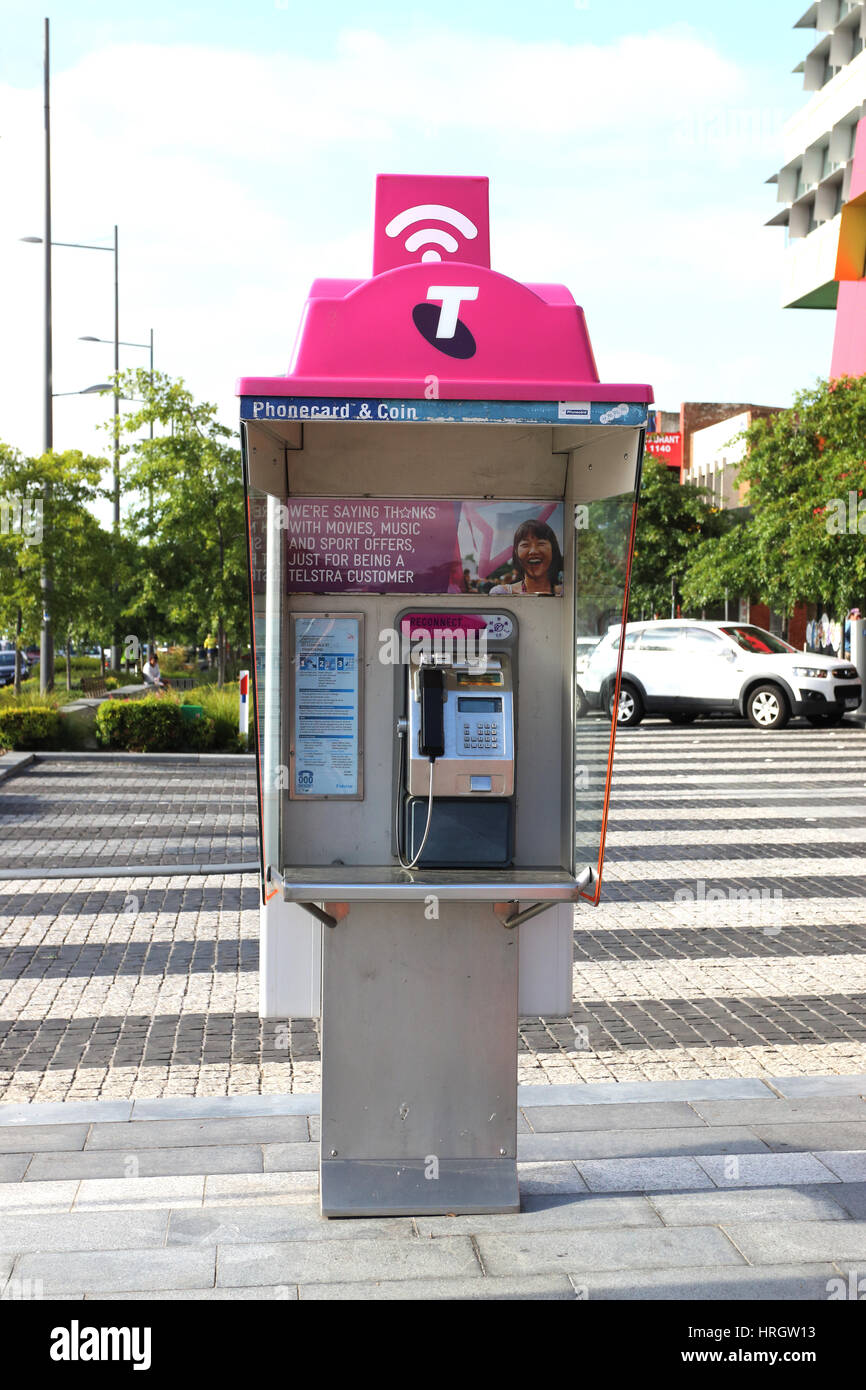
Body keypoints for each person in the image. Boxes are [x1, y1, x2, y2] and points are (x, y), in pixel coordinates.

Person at [488, 520, 563, 595]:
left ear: (553, 550)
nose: (533, 551)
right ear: (516, 552)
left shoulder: (568, 594)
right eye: (525, 545)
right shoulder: (501, 594)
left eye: (541, 543)